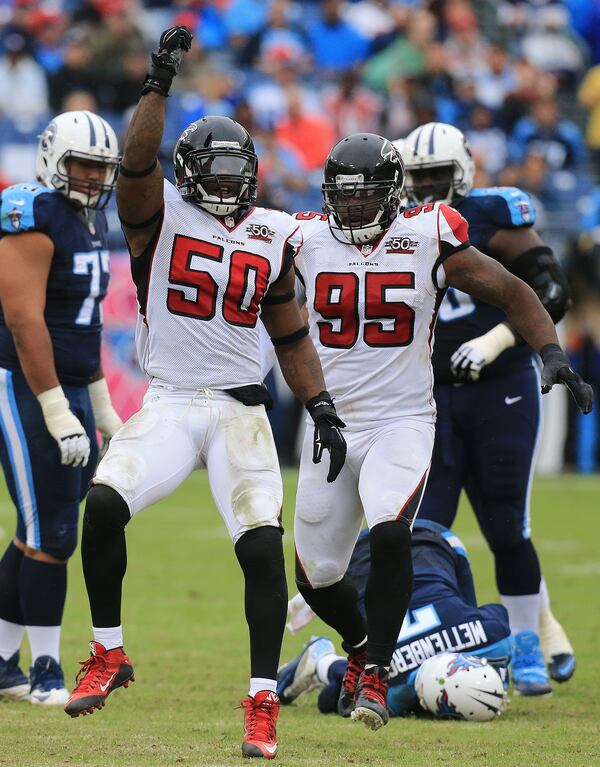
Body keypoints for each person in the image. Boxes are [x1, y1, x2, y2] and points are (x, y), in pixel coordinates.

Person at [63, 28, 346, 762]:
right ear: (187, 176)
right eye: (212, 174)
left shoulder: (272, 234)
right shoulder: (156, 215)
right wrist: (158, 81)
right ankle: (109, 651)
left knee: (259, 550)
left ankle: (260, 702)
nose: (225, 186)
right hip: (170, 398)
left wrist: (318, 403)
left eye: (235, 173)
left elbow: (289, 334)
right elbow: (134, 157)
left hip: (241, 410)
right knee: (101, 505)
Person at [291, 131, 592, 731]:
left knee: (395, 530)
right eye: (342, 197)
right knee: (316, 574)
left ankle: (377, 671)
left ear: (390, 194)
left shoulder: (428, 233)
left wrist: (549, 352)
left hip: (405, 416)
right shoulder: (303, 237)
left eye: (364, 195)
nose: (351, 208)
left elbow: (512, 288)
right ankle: (357, 649)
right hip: (333, 420)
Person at [399, 122, 579, 695]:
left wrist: (500, 339)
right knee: (425, 529)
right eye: (418, 178)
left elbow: (552, 291)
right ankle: (428, 636)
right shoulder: (394, 223)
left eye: (436, 177)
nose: (426, 189)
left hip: (500, 388)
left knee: (507, 523)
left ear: (463, 173)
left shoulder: (495, 212)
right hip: (429, 398)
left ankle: (526, 641)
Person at [0, 110, 121, 704]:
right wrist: (54, 408)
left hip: (66, 384)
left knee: (38, 528)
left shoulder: (88, 221)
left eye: (102, 169)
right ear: (53, 159)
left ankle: (2, 661)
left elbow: (83, 326)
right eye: (84, 166)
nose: (94, 178)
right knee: (53, 533)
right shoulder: (35, 212)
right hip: (22, 382)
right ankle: (45, 667)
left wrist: (100, 408)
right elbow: (25, 322)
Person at [278, 519, 512, 717]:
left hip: (432, 539)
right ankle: (321, 662)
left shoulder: (494, 638)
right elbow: (331, 699)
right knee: (365, 680)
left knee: (462, 605)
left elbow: (498, 614)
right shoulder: (396, 690)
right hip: (366, 556)